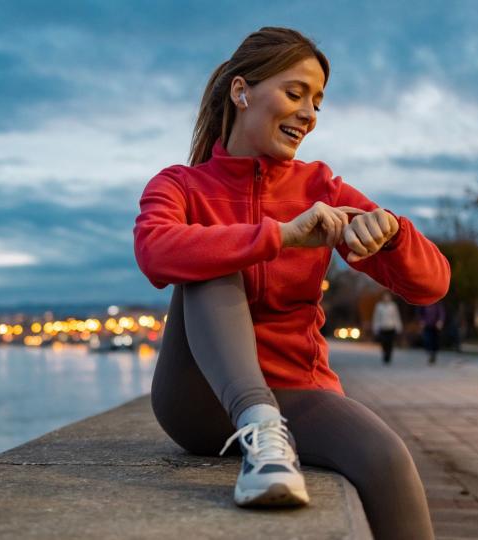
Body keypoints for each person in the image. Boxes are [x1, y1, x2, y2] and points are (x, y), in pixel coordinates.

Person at [132, 27, 450, 540]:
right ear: (242, 92)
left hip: (297, 390)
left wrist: (389, 234)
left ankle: (270, 430)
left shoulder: (322, 188)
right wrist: (278, 235)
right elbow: (154, 251)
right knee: (211, 255)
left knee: (387, 458)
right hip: (198, 401)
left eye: (318, 102)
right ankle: (259, 430)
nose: (309, 114)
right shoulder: (180, 186)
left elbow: (433, 284)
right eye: (295, 93)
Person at [371, 291, 403, 365]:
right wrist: (375, 327)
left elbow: (396, 317)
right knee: (384, 343)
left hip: (391, 327)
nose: (386, 298)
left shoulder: (393, 306)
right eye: (385, 297)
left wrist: (398, 326)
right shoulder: (379, 306)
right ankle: (385, 354)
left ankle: (389, 356)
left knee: (390, 343)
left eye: (388, 297)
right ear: (383, 298)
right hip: (383, 328)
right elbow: (376, 318)